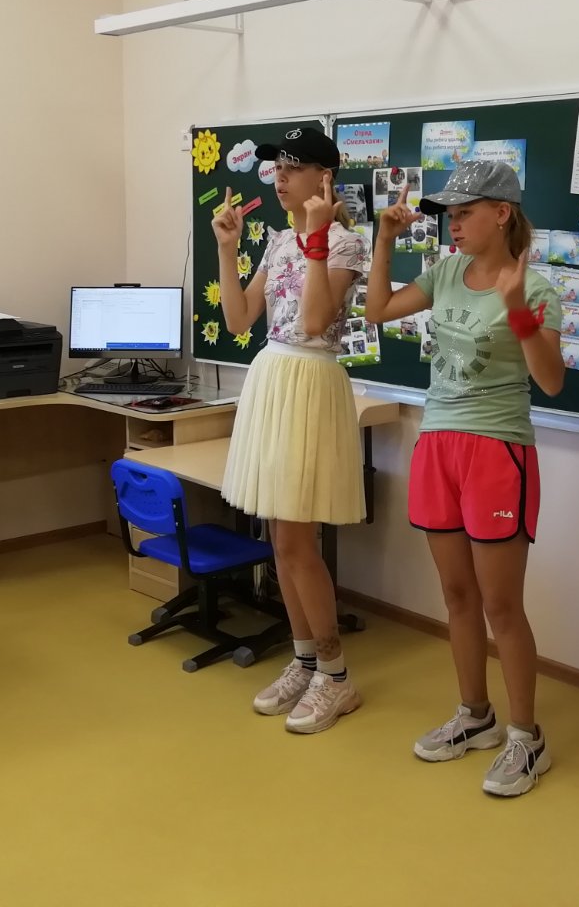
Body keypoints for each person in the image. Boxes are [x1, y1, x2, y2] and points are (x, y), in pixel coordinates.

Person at [365, 159, 565, 797]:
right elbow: (376, 310)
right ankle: (475, 715)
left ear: (501, 213)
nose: (452, 224)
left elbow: (552, 381)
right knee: (456, 595)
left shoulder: (536, 289)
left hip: (498, 450)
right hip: (438, 443)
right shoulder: (447, 271)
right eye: (448, 215)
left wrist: (518, 309)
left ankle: (526, 737)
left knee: (502, 605)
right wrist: (385, 240)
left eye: (464, 213)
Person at [212, 126, 368, 735]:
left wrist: (319, 239)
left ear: (324, 177)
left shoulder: (346, 244)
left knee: (301, 542)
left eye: (293, 167)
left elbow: (315, 319)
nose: (280, 176)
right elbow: (239, 319)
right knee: (281, 540)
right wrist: (228, 248)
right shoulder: (278, 242)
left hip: (311, 380)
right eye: (276, 167)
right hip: (272, 377)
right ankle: (305, 661)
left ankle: (336, 675)